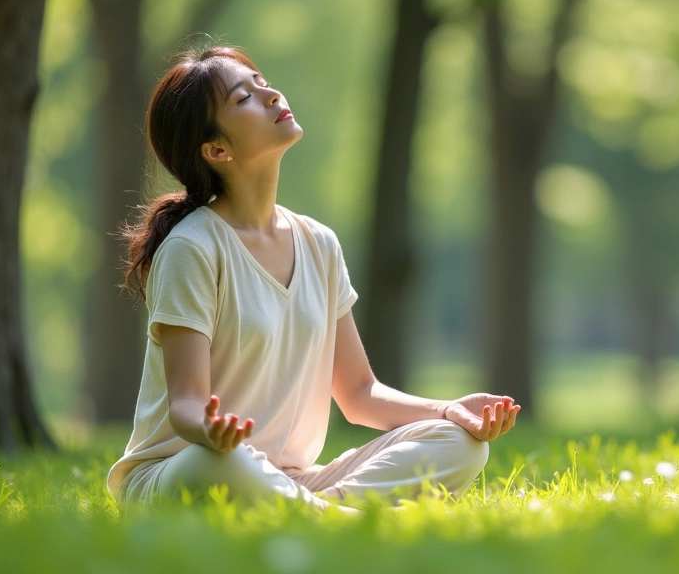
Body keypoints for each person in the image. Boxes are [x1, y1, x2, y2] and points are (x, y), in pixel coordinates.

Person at [105, 44, 521, 512]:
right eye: (244, 98)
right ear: (216, 149)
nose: (270, 95)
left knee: (461, 443)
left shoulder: (318, 243)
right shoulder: (192, 248)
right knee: (216, 465)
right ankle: (341, 521)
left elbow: (360, 394)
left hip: (291, 480)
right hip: (186, 469)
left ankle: (318, 514)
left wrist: (448, 410)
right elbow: (186, 404)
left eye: (262, 82)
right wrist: (213, 432)